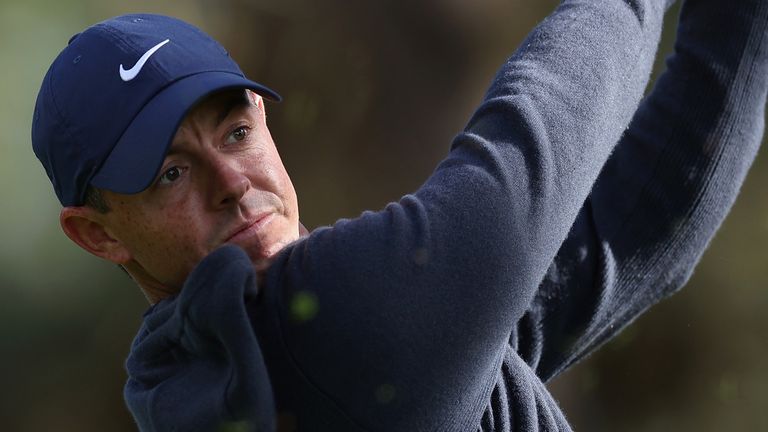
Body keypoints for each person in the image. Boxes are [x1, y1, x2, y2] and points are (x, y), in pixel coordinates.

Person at [30, 0, 767, 430]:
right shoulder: (318, 333)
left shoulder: (217, 373)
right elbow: (522, 174)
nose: (231, 182)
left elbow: (637, 235)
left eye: (236, 131)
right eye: (168, 172)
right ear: (97, 233)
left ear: (262, 113)